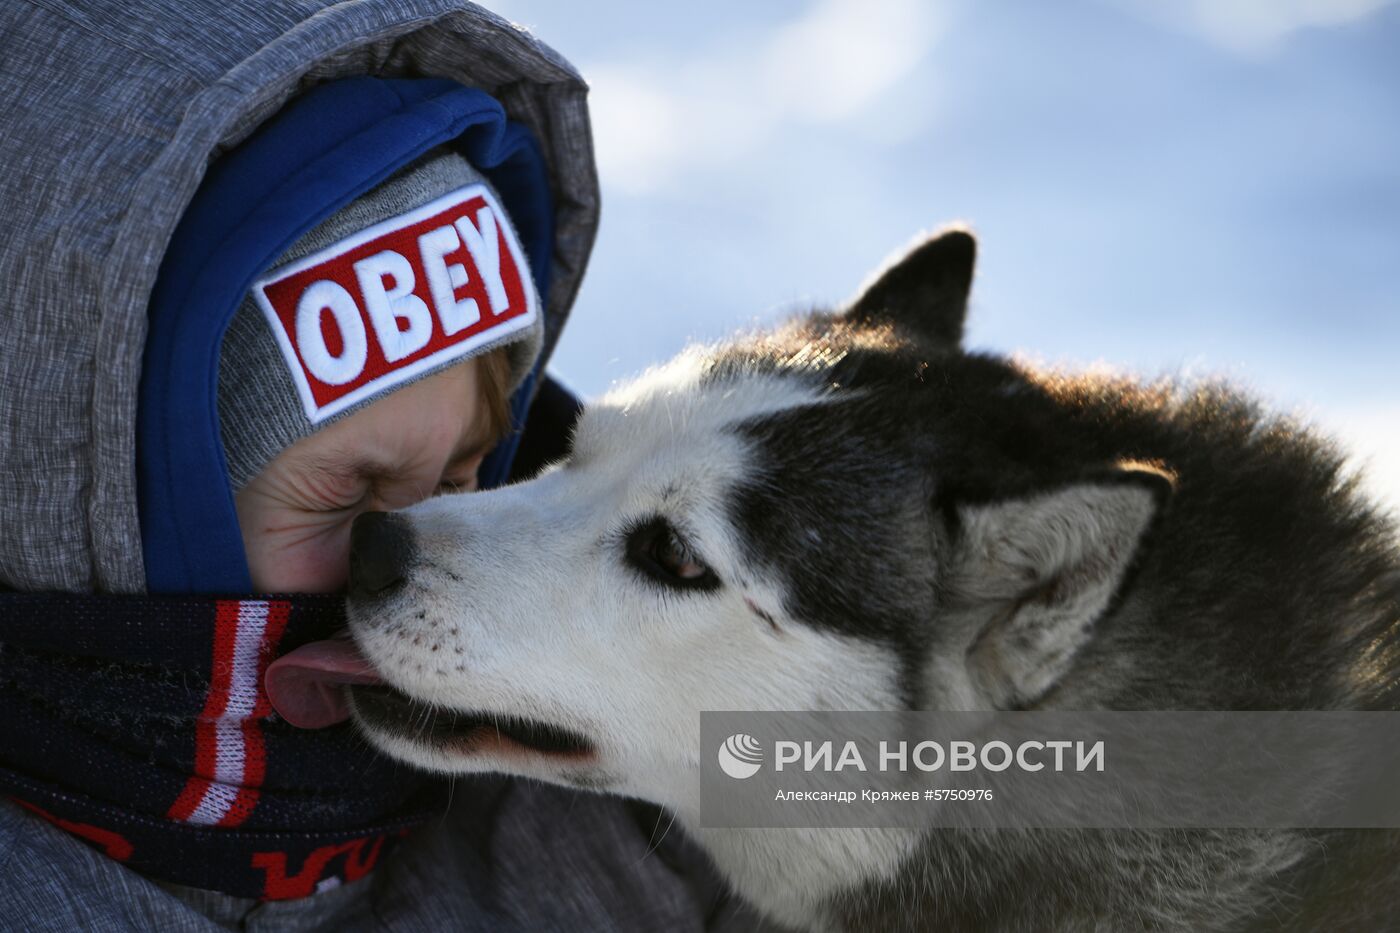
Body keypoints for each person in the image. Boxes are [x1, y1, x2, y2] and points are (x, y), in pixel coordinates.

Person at [0, 2, 756, 929]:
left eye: (463, 476)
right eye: (350, 492)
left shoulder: (600, 795)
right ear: (113, 501)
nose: (433, 548)